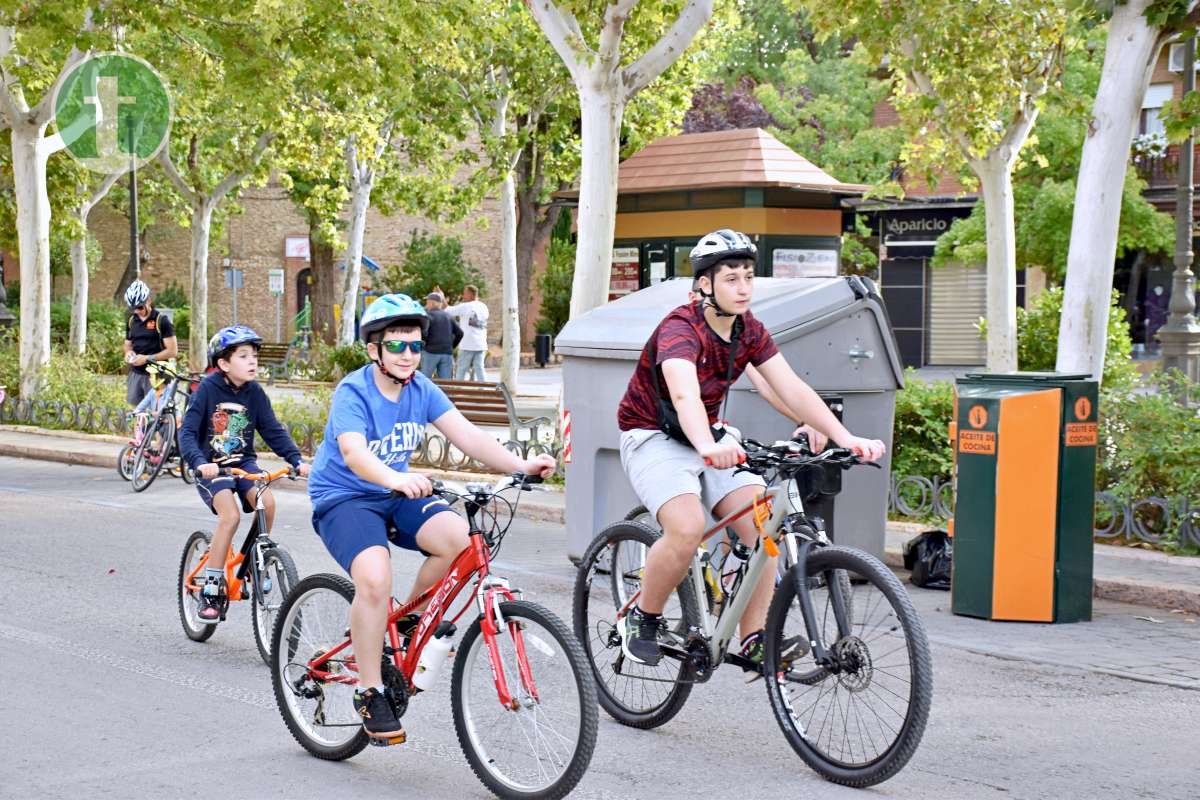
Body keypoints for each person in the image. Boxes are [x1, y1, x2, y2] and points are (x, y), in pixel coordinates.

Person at [615, 229, 886, 670]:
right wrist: (704, 443)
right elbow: (683, 393)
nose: (743, 288)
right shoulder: (680, 328)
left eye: (747, 278)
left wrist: (844, 437)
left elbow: (790, 385)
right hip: (653, 434)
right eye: (730, 279)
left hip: (711, 435)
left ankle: (755, 636)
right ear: (705, 284)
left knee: (764, 526)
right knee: (685, 527)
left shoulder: (749, 329)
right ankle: (643, 620)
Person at [306, 293, 555, 741]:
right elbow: (353, 452)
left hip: (397, 489)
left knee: (460, 540)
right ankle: (369, 689)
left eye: (415, 346)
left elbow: (469, 436)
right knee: (375, 579)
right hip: (345, 496)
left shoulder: (422, 389)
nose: (408, 355)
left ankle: (404, 619)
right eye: (397, 345)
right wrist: (395, 479)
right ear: (374, 350)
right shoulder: (354, 390)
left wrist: (521, 466)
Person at [179, 325, 311, 623]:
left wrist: (295, 460)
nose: (252, 361)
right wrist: (200, 461)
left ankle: (252, 562)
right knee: (231, 516)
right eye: (243, 356)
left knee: (269, 503)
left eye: (254, 355)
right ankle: (211, 589)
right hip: (213, 467)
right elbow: (187, 433)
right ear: (224, 364)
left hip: (243, 464)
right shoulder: (207, 390)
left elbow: (273, 430)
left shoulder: (254, 393)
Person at [123, 280, 178, 409]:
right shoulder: (132, 320)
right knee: (137, 412)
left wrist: (147, 358)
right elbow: (127, 344)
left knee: (157, 414)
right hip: (136, 374)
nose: (137, 311)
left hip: (157, 375)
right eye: (133, 308)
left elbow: (172, 351)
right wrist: (128, 353)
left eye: (140, 307)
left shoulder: (161, 321)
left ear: (149, 300)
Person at [446, 284, 489, 381]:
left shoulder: (466, 306)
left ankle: (457, 391)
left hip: (467, 345)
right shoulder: (484, 307)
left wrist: (441, 296)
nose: (463, 296)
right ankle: (484, 391)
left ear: (470, 294)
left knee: (461, 369)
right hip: (481, 344)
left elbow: (449, 310)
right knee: (480, 369)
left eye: (465, 293)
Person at [419, 291, 462, 380]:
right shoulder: (448, 316)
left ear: (432, 303)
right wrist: (452, 346)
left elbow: (423, 333)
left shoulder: (428, 316)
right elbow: (460, 333)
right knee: (446, 383)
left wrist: (423, 345)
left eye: (427, 302)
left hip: (431, 352)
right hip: (447, 353)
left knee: (425, 381)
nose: (427, 304)